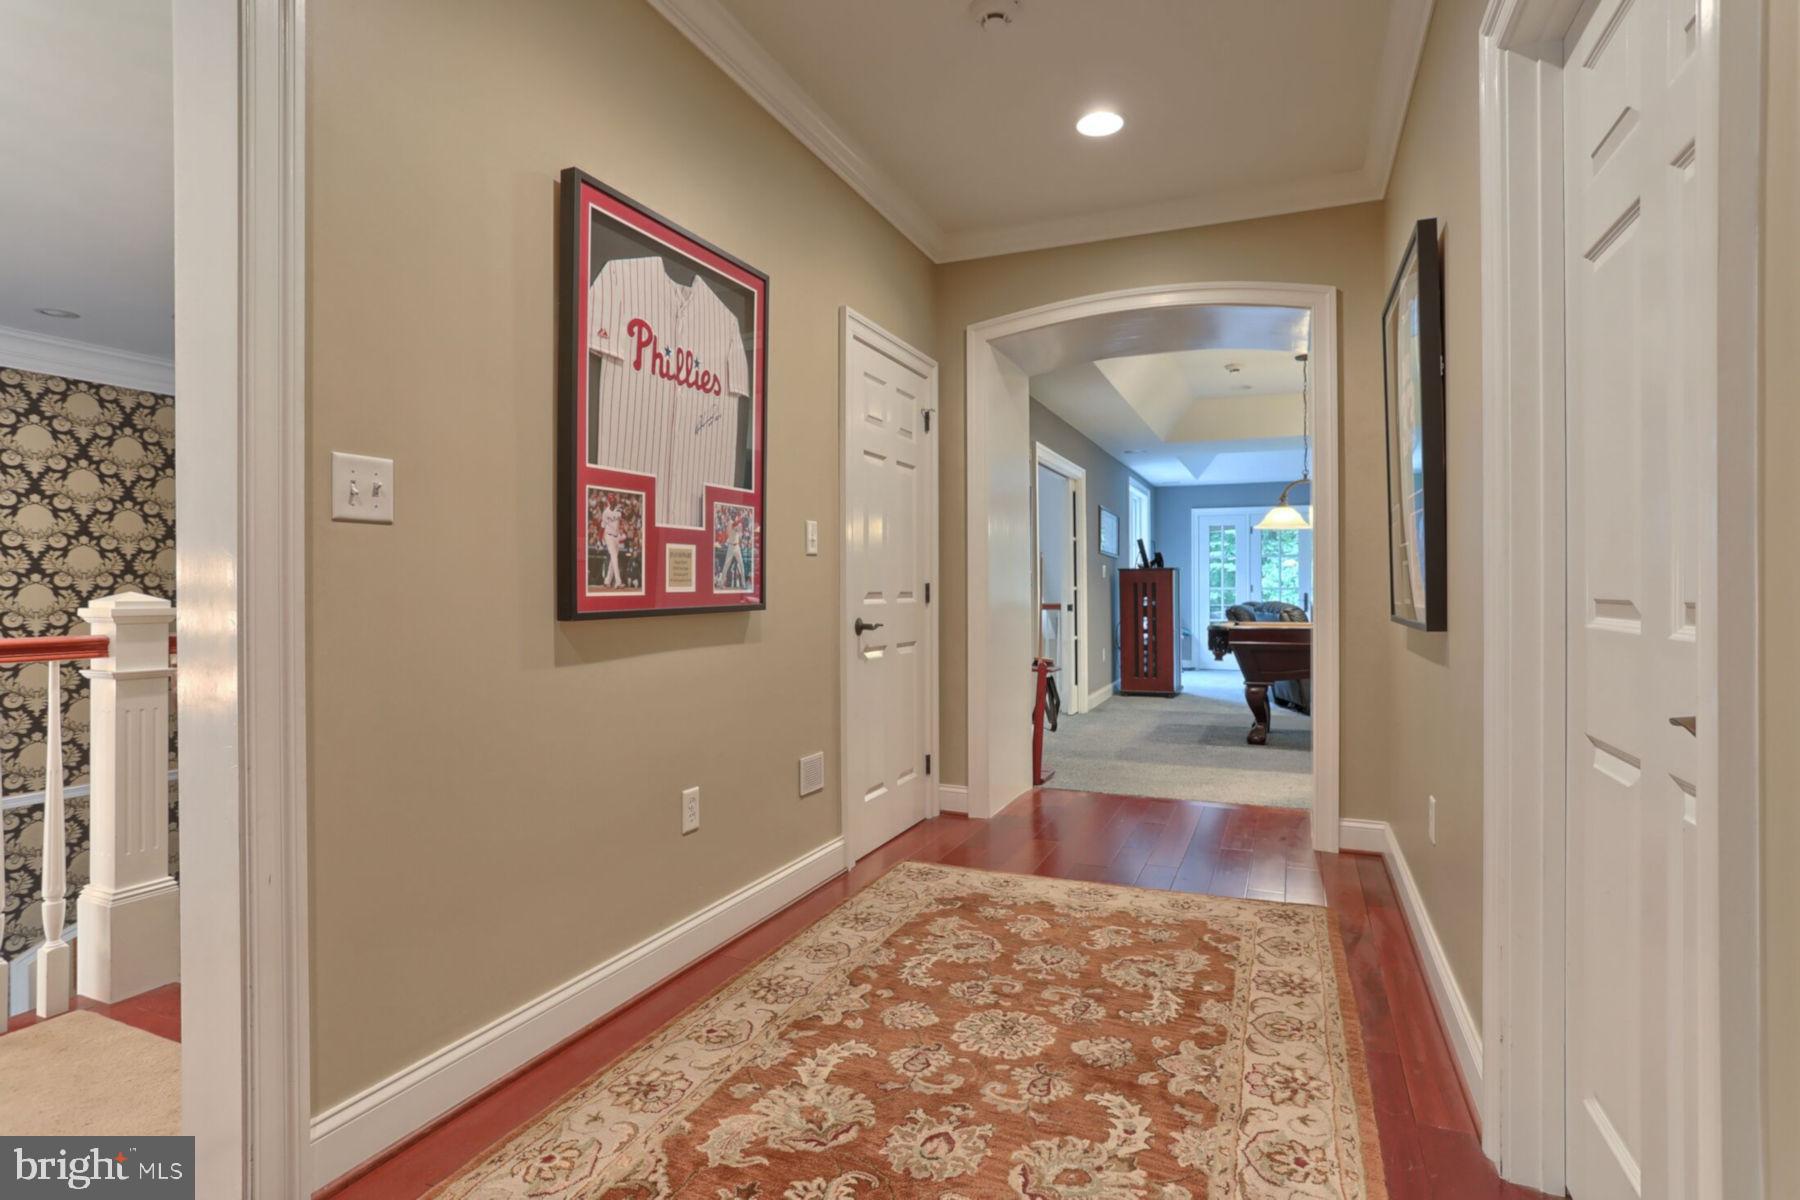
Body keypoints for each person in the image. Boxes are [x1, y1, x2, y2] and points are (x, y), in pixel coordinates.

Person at [601, 495, 626, 589]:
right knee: (614, 557)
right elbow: (602, 526)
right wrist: (600, 539)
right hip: (608, 536)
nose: (613, 502)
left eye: (614, 500)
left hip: (616, 537)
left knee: (613, 560)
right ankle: (618, 582)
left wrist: (622, 510)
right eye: (611, 501)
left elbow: (624, 517)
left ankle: (607, 581)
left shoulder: (618, 509)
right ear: (609, 502)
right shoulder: (605, 512)